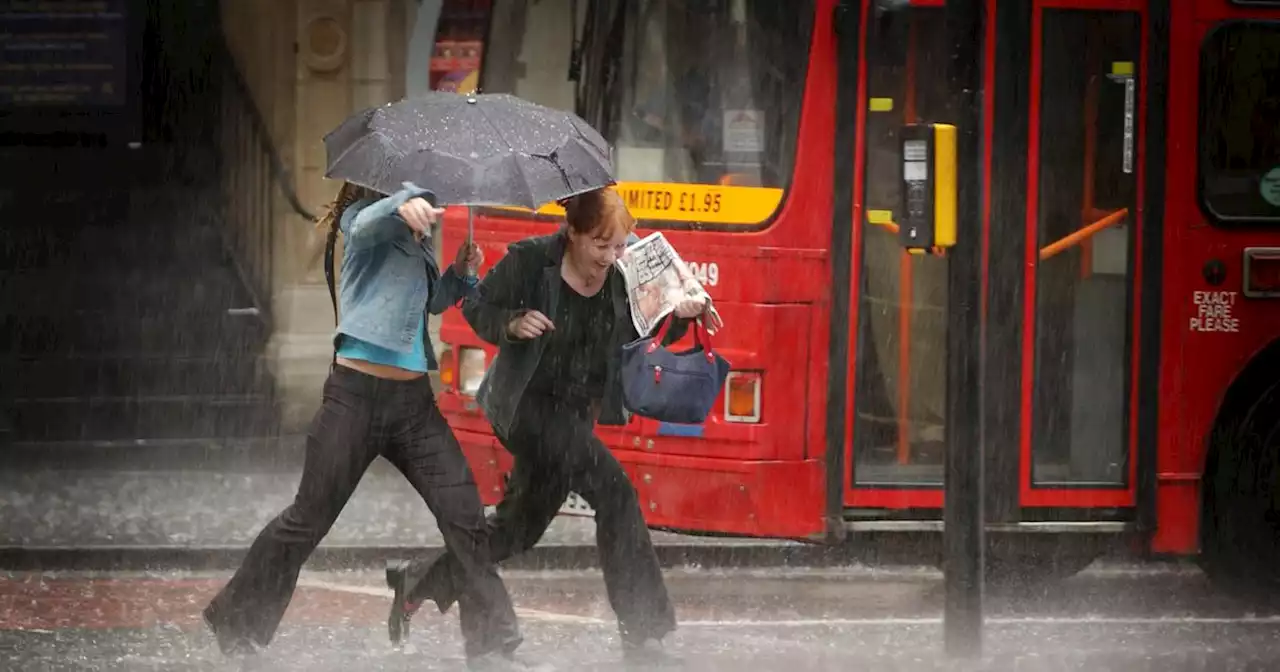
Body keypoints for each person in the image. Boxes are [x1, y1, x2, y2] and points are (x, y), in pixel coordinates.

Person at [202, 181, 529, 671]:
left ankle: (491, 646)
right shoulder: (361, 219)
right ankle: (237, 620)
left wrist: (460, 276)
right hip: (354, 398)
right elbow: (369, 225)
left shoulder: (417, 235)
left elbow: (427, 304)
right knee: (307, 519)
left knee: (463, 512)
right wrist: (404, 203)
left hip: (413, 405)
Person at [385, 188, 710, 666]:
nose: (611, 256)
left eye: (619, 245)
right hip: (526, 407)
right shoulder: (531, 260)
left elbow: (646, 328)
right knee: (615, 492)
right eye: (601, 244)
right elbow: (476, 306)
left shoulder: (623, 273)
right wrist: (512, 323)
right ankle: (645, 633)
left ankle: (417, 581)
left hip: (575, 412)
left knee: (520, 528)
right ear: (573, 232)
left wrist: (683, 314)